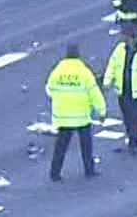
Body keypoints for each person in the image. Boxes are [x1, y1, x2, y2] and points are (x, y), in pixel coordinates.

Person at [45, 43, 105, 181]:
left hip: (63, 116)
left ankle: (54, 173)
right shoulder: (84, 72)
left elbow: (49, 90)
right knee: (86, 146)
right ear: (78, 55)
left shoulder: (57, 71)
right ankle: (89, 170)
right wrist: (101, 111)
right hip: (81, 116)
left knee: (61, 146)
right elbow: (94, 93)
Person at [101, 23, 137, 153]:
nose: (122, 39)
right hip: (123, 89)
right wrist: (107, 81)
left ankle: (133, 142)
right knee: (126, 115)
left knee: (135, 117)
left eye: (125, 36)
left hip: (136, 91)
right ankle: (130, 136)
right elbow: (112, 65)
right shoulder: (120, 49)